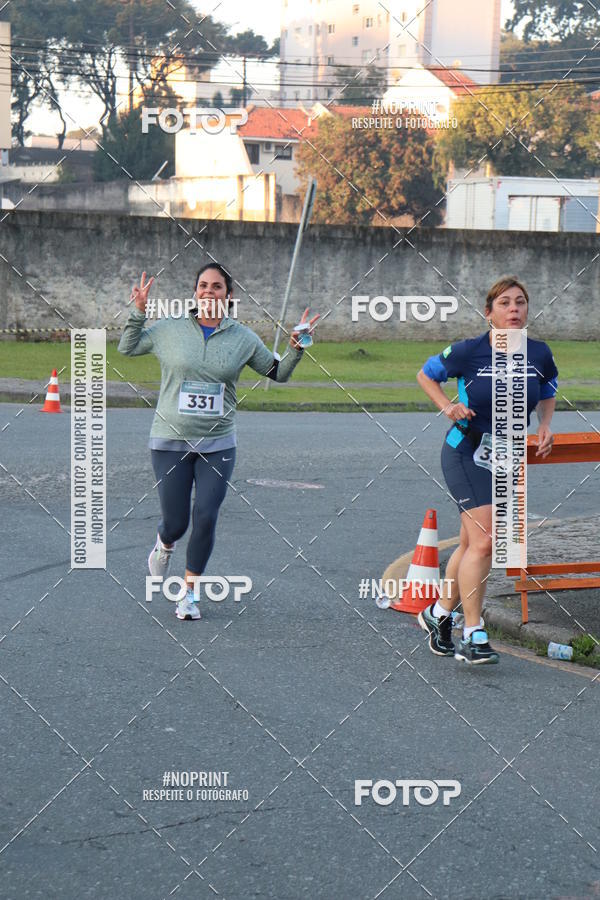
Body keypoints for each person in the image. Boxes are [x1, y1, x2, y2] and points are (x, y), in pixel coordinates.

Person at [118, 263, 319, 621]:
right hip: (170, 440)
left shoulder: (242, 338)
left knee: (206, 516)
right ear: (195, 292)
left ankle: (189, 595)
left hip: (218, 444)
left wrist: (296, 348)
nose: (208, 292)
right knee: (177, 522)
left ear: (228, 295)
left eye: (217, 287)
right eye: (203, 286)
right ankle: (165, 543)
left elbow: (278, 373)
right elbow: (127, 347)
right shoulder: (169, 329)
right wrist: (138, 312)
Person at [415, 276, 558, 664]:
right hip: (466, 451)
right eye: (505, 303)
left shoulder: (539, 353)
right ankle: (474, 632)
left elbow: (547, 390)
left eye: (521, 302)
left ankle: (439, 613)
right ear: (489, 313)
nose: (514, 309)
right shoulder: (469, 351)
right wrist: (448, 406)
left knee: (469, 544)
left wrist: (545, 426)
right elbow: (425, 375)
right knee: (485, 542)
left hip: (507, 456)